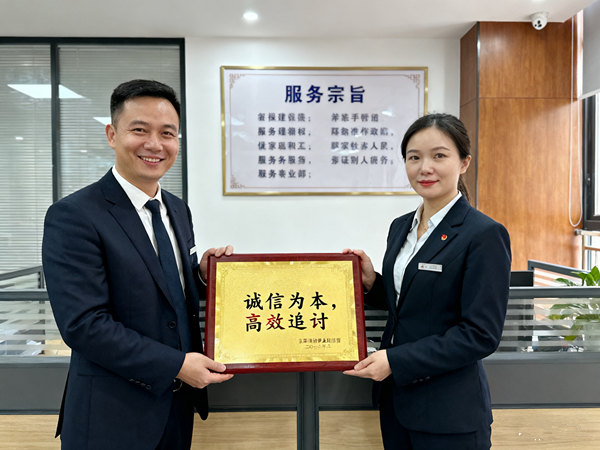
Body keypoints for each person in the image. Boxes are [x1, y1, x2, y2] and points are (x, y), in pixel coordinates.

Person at [42, 79, 234, 450]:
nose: (155, 144)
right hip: (111, 415)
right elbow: (83, 325)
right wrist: (176, 366)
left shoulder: (177, 209)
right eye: (140, 130)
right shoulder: (74, 215)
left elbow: (163, 291)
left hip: (176, 408)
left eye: (167, 133)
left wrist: (200, 276)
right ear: (112, 134)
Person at [343, 113, 511, 449]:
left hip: (449, 412)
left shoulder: (483, 234)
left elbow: (480, 334)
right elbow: (414, 302)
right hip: (396, 404)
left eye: (439, 155)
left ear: (464, 162)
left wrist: (395, 361)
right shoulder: (400, 227)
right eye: (414, 157)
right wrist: (372, 282)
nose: (425, 168)